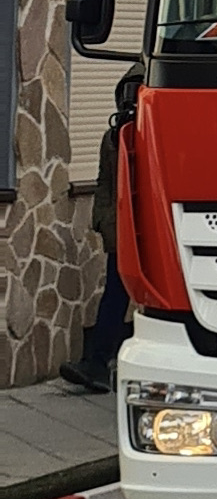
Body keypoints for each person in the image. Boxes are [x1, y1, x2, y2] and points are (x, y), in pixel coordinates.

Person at [60, 75, 135, 392]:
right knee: (114, 297)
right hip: (124, 231)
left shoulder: (166, 133)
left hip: (159, 232)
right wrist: (105, 224)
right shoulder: (114, 137)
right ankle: (98, 363)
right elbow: (105, 185)